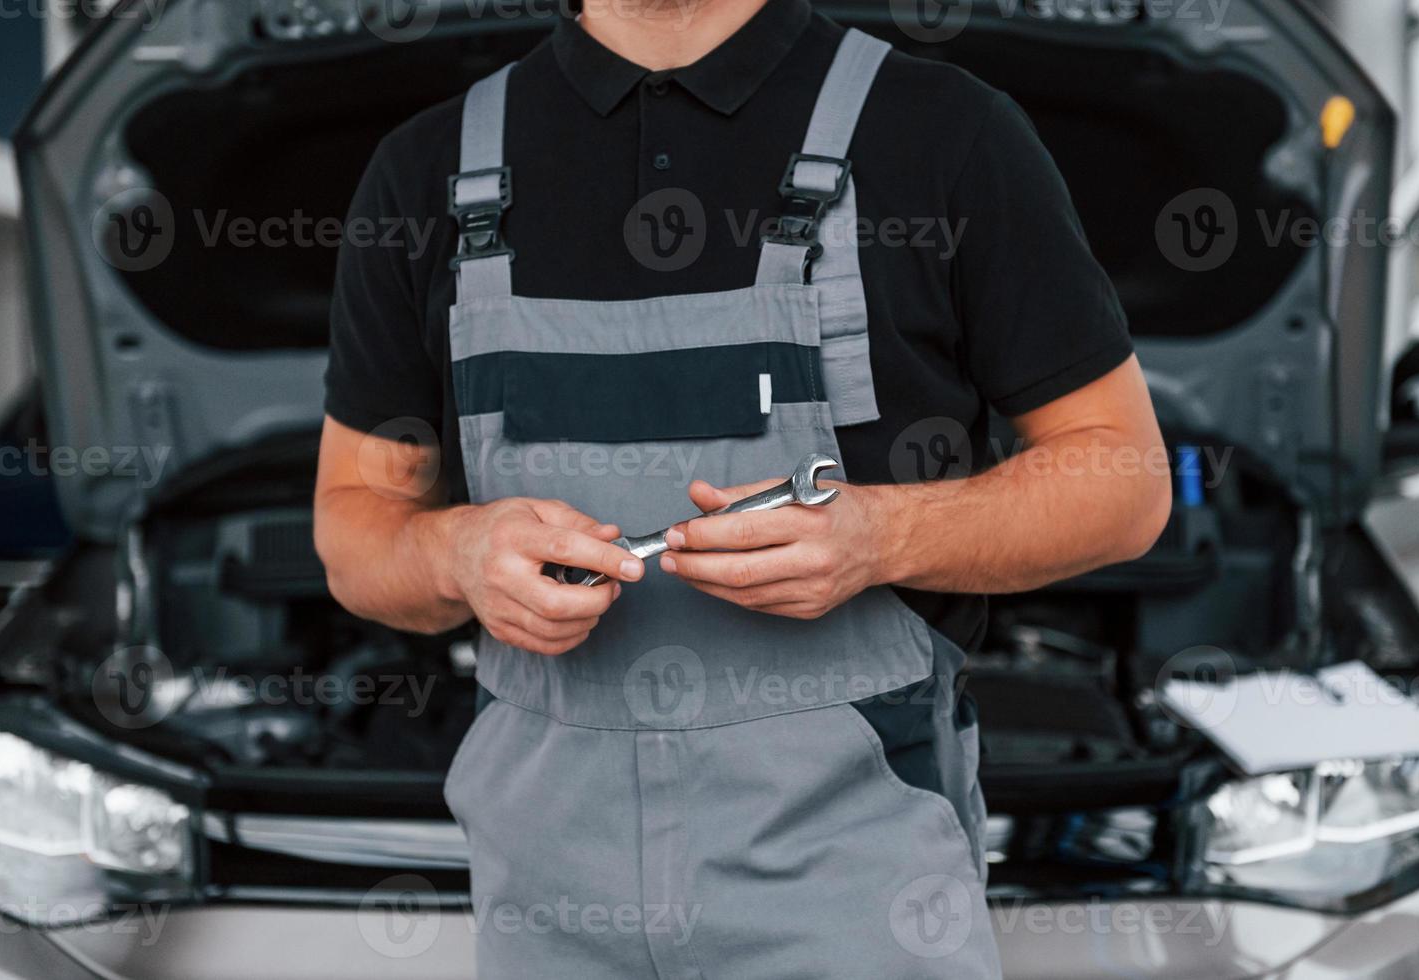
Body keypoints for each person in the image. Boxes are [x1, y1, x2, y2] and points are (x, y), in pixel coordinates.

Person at [315, 0, 1171, 974]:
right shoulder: (426, 173)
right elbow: (354, 530)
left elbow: (1125, 479)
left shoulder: (944, 132)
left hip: (853, 895)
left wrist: (879, 535)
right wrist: (457, 553)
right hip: (544, 904)